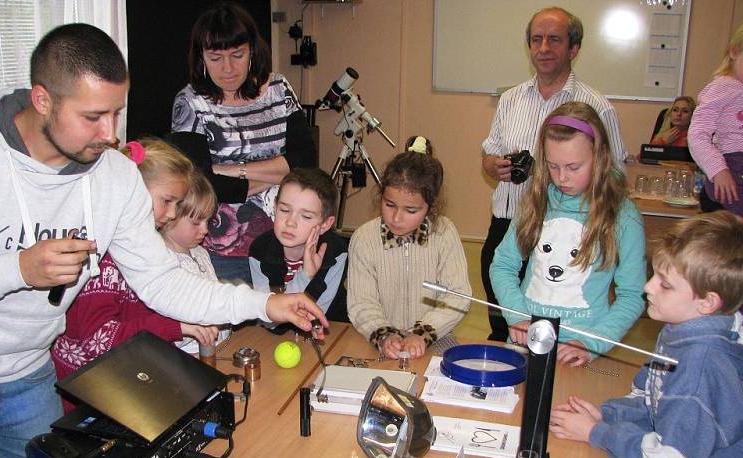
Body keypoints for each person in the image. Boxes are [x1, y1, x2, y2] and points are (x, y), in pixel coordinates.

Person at [0, 23, 326, 458]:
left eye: (117, 114)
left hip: (26, 378)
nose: (110, 134)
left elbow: (164, 285)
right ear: (42, 99)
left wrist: (264, 302)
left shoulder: (115, 175)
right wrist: (17, 270)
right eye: (94, 116)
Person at [549, 211, 743, 458]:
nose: (648, 288)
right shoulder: (680, 329)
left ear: (707, 302)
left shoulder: (700, 366)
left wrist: (598, 434)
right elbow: (649, 397)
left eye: (664, 284)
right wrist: (609, 414)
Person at [481, 6, 626, 341]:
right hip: (509, 221)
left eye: (554, 40)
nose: (543, 48)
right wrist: (491, 165)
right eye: (536, 39)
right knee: (502, 307)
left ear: (573, 48)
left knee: (559, 313)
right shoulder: (510, 99)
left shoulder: (596, 105)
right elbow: (489, 152)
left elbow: (615, 174)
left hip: (568, 231)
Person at [51, 138, 220, 396]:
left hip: (125, 377)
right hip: (90, 391)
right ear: (133, 189)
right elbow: (99, 341)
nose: (173, 213)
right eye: (167, 201)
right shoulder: (100, 260)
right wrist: (177, 327)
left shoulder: (146, 249)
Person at [171, 1, 317, 285]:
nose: (227, 68)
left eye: (237, 55)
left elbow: (307, 162)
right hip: (223, 253)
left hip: (286, 246)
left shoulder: (279, 89)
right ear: (201, 58)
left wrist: (230, 170)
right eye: (215, 58)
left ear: (252, 50)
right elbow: (204, 185)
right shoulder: (190, 103)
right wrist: (282, 173)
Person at [489, 102, 646, 366]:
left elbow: (633, 294)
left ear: (601, 155)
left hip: (581, 354)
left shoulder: (623, 216)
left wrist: (593, 342)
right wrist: (517, 317)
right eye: (552, 166)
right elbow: (503, 265)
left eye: (574, 167)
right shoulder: (535, 202)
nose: (562, 178)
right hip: (527, 345)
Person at [347, 136, 471, 360]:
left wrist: (421, 333)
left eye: (411, 211)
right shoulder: (364, 238)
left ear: (430, 207)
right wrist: (385, 335)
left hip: (436, 336)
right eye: (389, 205)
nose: (396, 218)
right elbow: (361, 303)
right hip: (379, 339)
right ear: (381, 197)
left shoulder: (444, 233)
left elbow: (458, 297)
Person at [249, 168, 348, 327]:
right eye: (284, 210)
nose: (290, 222)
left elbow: (315, 319)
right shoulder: (259, 250)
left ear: (325, 225)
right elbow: (269, 320)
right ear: (275, 207)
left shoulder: (334, 253)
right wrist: (305, 275)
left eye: (306, 216)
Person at [161, 168, 230, 354]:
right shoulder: (162, 262)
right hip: (188, 355)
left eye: (208, 221)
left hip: (220, 347)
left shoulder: (200, 252)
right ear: (169, 217)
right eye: (196, 222)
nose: (205, 230)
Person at [688, 23, 743, 216]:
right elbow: (697, 134)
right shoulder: (722, 87)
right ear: (735, 52)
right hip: (731, 170)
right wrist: (718, 170)